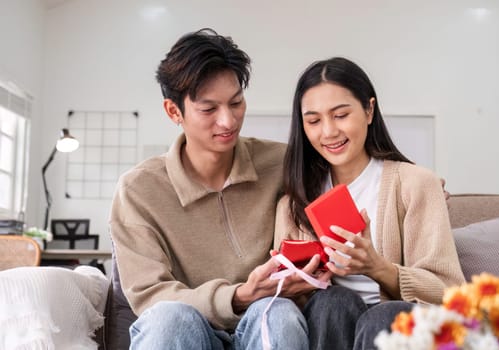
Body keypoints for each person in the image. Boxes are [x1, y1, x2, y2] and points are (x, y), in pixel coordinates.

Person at [109, 28, 332, 349]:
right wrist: (238, 296)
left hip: (264, 318)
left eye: (236, 102)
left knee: (278, 313)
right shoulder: (139, 189)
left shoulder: (284, 162)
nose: (228, 121)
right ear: (174, 111)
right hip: (188, 326)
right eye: (209, 109)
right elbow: (150, 296)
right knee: (167, 318)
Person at [274, 57, 466, 349]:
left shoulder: (415, 184)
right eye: (313, 120)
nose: (328, 132)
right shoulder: (293, 205)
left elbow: (450, 292)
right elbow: (288, 307)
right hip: (333, 326)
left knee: (383, 316)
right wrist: (301, 282)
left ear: (369, 110)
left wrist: (377, 267)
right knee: (332, 302)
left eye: (340, 115)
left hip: (402, 330)